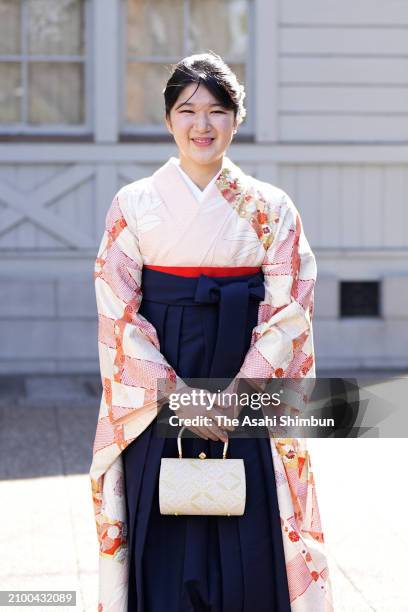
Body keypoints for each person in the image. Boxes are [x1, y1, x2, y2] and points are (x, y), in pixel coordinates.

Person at [89, 52, 333, 612]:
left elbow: (289, 309)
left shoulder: (273, 208)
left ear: (236, 119)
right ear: (169, 119)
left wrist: (235, 398)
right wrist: (180, 397)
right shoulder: (135, 205)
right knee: (163, 554)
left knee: (253, 554)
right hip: (161, 403)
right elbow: (117, 307)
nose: (203, 125)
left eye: (217, 111)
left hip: (243, 396)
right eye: (188, 110)